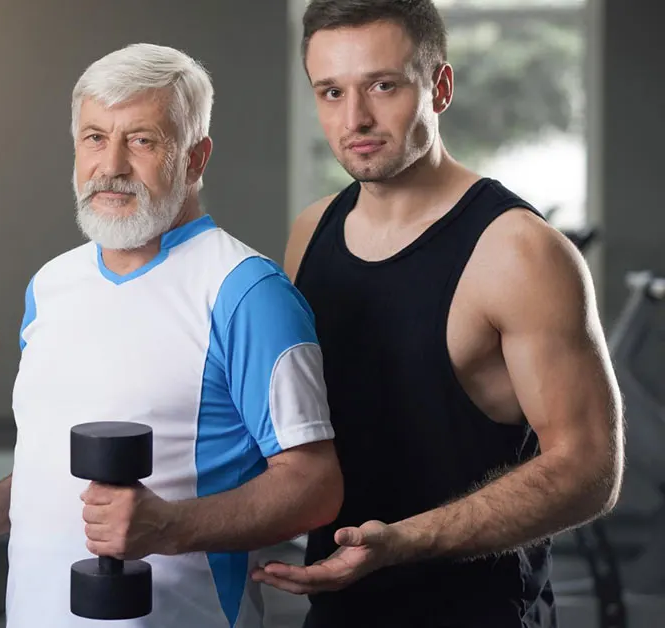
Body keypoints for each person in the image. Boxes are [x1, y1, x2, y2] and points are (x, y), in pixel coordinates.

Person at [0, 43, 345, 627]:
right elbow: (52, 473)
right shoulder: (53, 284)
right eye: (93, 137)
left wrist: (170, 526)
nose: (109, 165)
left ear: (195, 157)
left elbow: (316, 484)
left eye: (141, 140)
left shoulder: (246, 293)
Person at [252, 1, 625, 626]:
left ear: (440, 87)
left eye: (383, 85)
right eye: (331, 92)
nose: (355, 118)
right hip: (336, 603)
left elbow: (590, 467)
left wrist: (403, 542)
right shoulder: (311, 231)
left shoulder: (519, 251)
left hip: (479, 613)